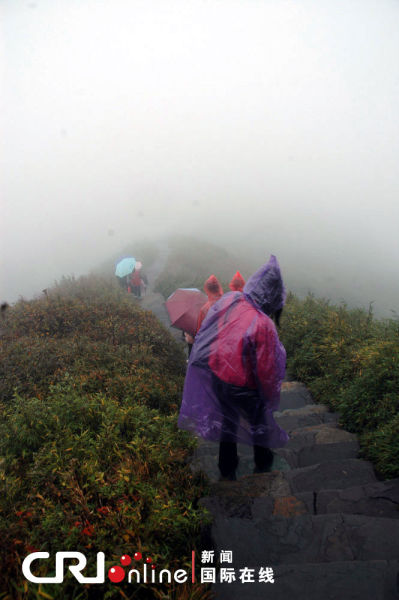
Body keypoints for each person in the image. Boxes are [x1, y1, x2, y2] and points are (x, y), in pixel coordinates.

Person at [178, 255, 288, 480]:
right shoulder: (263, 323)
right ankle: (263, 467)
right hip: (246, 388)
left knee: (228, 424)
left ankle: (227, 471)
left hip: (220, 379)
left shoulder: (230, 302)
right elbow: (266, 369)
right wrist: (270, 397)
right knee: (259, 426)